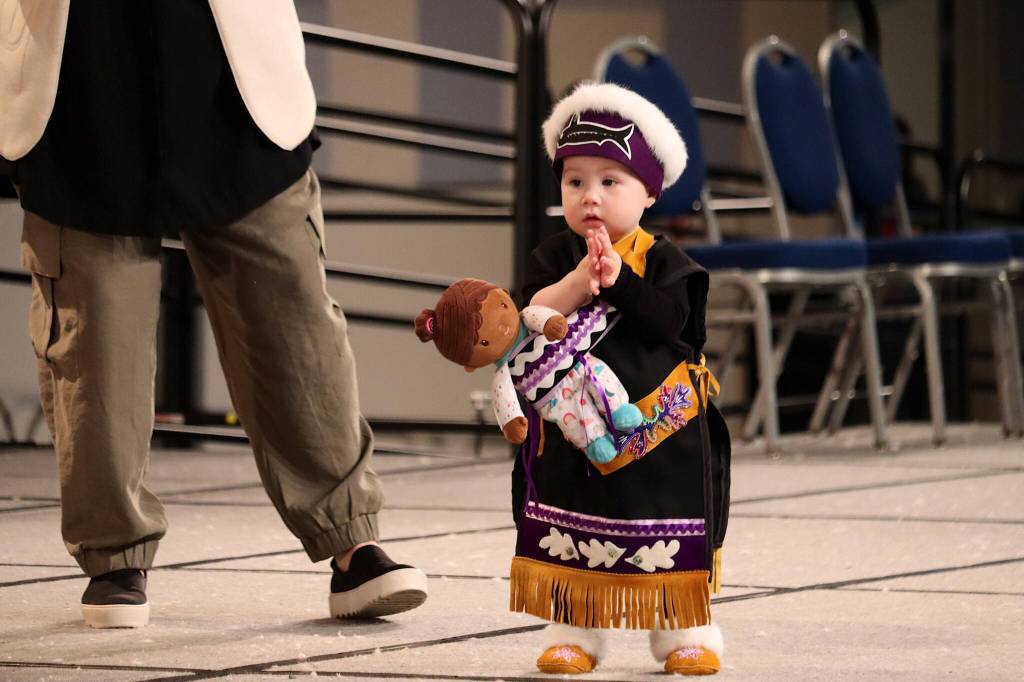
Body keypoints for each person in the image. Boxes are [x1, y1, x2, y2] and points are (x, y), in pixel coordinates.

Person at [0, 0, 426, 628]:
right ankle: (115, 556)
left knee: (291, 321)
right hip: (79, 58)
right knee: (96, 334)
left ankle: (350, 539)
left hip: (227, 56)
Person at [509, 82, 731, 675]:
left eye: (611, 181)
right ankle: (573, 632)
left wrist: (622, 283)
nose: (590, 197)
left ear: (650, 191)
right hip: (575, 432)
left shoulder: (667, 263)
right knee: (572, 517)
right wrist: (580, 282)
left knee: (664, 526)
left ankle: (685, 628)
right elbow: (527, 313)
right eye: (575, 180)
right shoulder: (555, 257)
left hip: (661, 430)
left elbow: (677, 329)